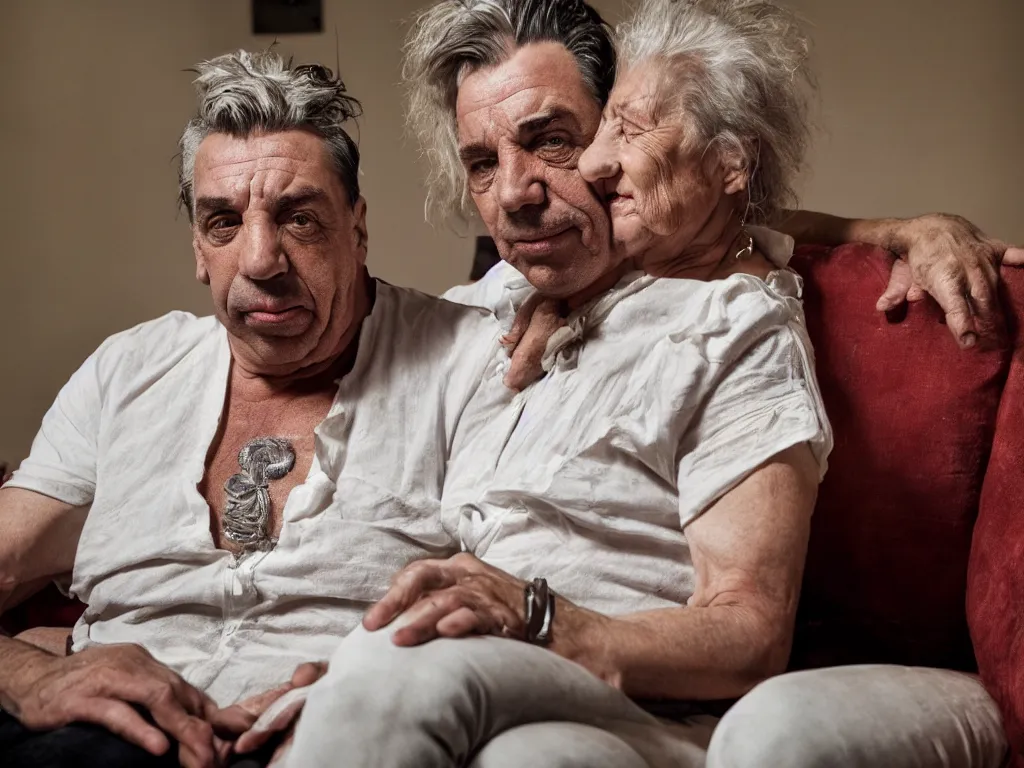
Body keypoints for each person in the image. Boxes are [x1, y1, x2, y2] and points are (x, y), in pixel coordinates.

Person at [271, 1, 1010, 766]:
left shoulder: (730, 321)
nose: (519, 193)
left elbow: (750, 626)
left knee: (388, 674)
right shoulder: (490, 308)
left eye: (554, 139)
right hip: (532, 693)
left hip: (625, 679)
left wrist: (533, 615)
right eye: (482, 164)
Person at [0, 51, 504, 768]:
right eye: (224, 223)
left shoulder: (466, 364)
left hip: (338, 735)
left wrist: (384, 686)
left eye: (299, 218)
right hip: (93, 741)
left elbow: (530, 587)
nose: (261, 260)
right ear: (198, 247)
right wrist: (33, 675)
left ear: (357, 229)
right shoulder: (128, 373)